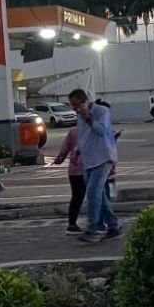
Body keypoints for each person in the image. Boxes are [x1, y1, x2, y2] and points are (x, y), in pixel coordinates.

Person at [68, 88, 121, 242]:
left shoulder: (101, 112)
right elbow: (82, 135)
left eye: (76, 105)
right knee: (100, 196)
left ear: (84, 101)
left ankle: (92, 229)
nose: (75, 109)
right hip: (88, 160)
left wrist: (88, 117)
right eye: (72, 106)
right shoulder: (80, 116)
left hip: (103, 158)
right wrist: (77, 151)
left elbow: (101, 131)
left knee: (92, 193)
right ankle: (113, 225)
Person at [52, 126, 86, 235]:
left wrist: (59, 159)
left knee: (76, 197)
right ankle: (97, 222)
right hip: (88, 169)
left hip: (74, 169)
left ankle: (72, 224)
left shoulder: (73, 131)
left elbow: (64, 149)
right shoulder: (91, 130)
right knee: (95, 196)